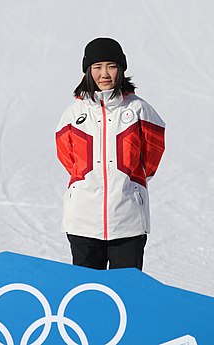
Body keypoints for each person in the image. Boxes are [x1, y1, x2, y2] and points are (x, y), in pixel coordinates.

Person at [55, 37, 165, 270]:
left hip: (129, 222)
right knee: (85, 295)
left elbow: (152, 154)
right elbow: (67, 157)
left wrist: (134, 183)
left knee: (126, 296)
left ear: (121, 70)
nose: (104, 73)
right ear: (87, 72)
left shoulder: (139, 109)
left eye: (111, 66)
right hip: (82, 222)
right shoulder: (73, 113)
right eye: (97, 67)